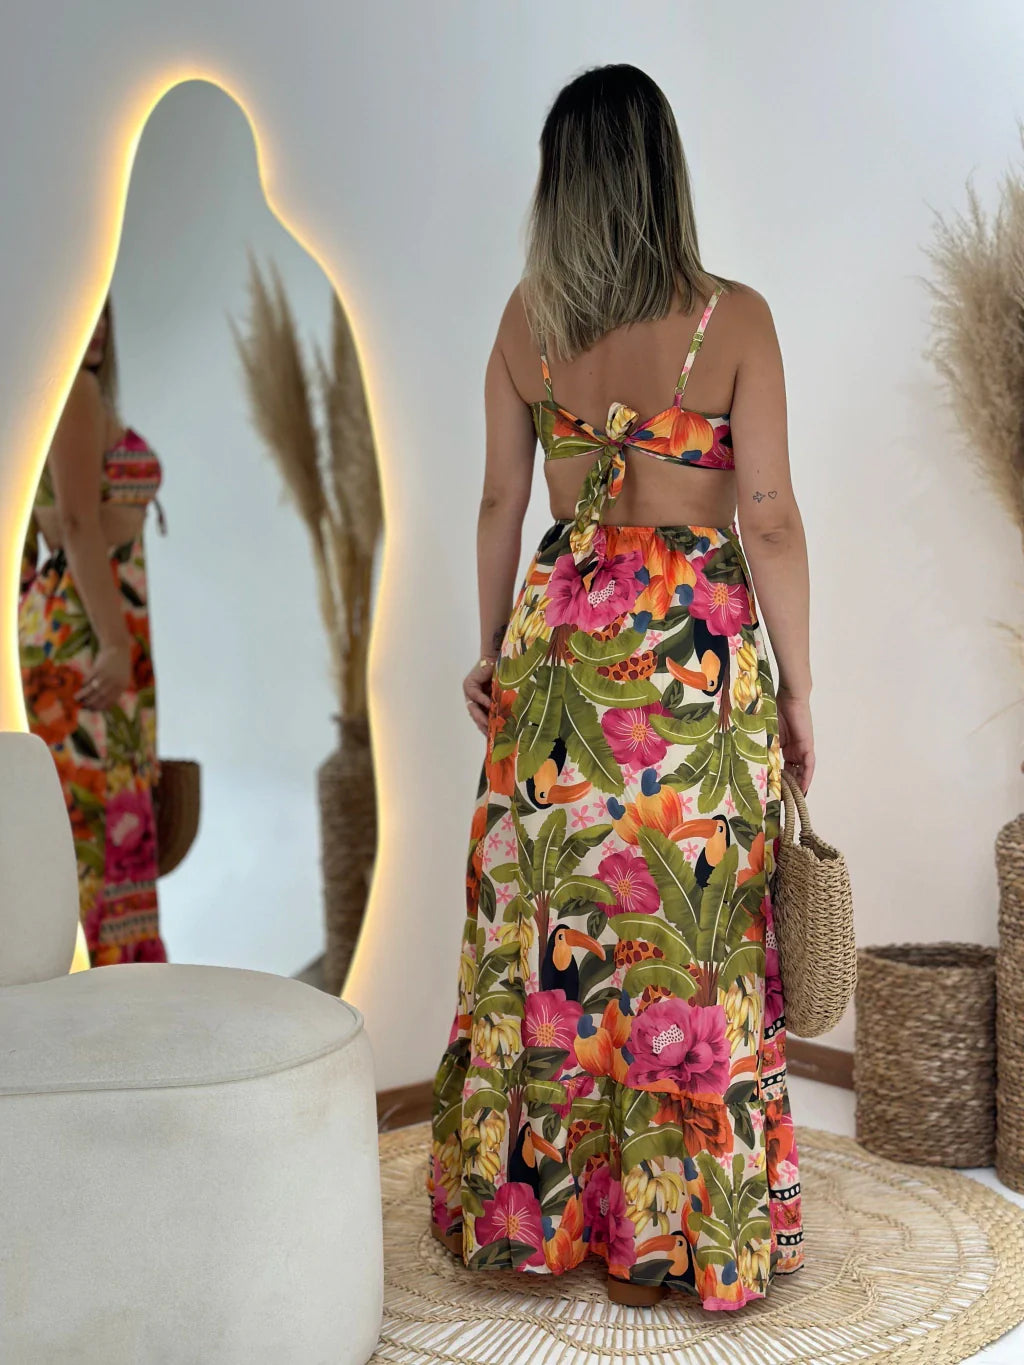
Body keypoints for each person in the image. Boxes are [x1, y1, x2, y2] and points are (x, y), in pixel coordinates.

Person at [427, 64, 811, 1312]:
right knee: (690, 944)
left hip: (557, 661)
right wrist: (800, 690)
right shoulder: (733, 320)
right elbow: (769, 520)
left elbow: (500, 499)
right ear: (663, 173)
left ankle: (555, 1220)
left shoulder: (525, 322)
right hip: (694, 671)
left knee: (556, 934)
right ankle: (675, 1238)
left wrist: (488, 649)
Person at [19, 298, 167, 965]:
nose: (101, 323)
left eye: (107, 309)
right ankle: (106, 994)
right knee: (97, 826)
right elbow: (75, 524)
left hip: (80, 624)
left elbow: (63, 523)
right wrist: (112, 641)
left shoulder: (53, 393)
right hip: (88, 633)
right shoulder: (73, 389)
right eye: (86, 305)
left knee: (91, 822)